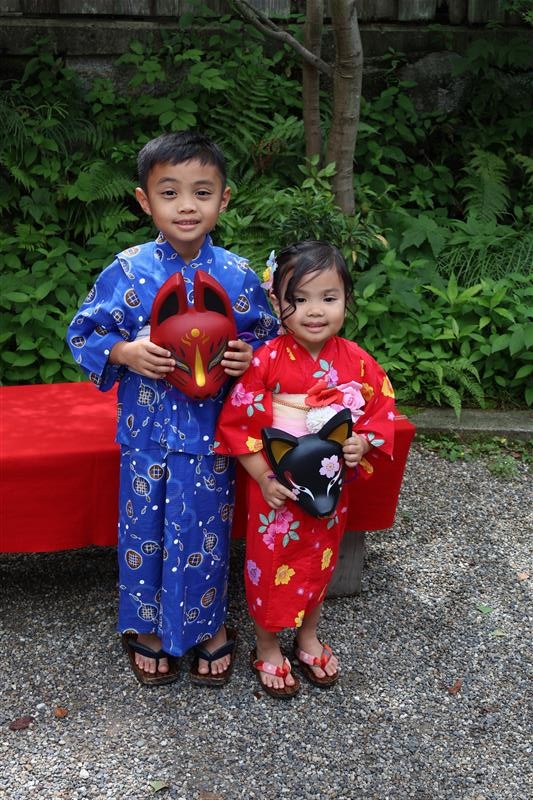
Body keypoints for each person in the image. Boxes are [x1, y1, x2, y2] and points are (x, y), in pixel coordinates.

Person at [67, 131, 277, 687]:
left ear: (223, 199)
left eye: (201, 192)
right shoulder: (127, 270)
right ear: (145, 200)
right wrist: (124, 352)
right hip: (147, 434)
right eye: (170, 192)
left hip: (211, 435)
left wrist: (247, 355)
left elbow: (267, 338)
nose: (187, 206)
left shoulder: (236, 274)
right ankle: (149, 627)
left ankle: (206, 624)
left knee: (206, 529)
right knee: (145, 530)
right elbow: (83, 332)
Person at [214, 240, 396, 698]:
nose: (315, 311)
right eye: (299, 299)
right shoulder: (265, 360)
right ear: (277, 303)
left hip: (329, 486)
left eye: (328, 298)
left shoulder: (356, 361)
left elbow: (381, 412)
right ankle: (267, 644)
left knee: (320, 561)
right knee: (271, 563)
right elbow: (238, 426)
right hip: (279, 486)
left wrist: (360, 442)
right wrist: (263, 476)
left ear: (347, 301)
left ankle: (308, 636)